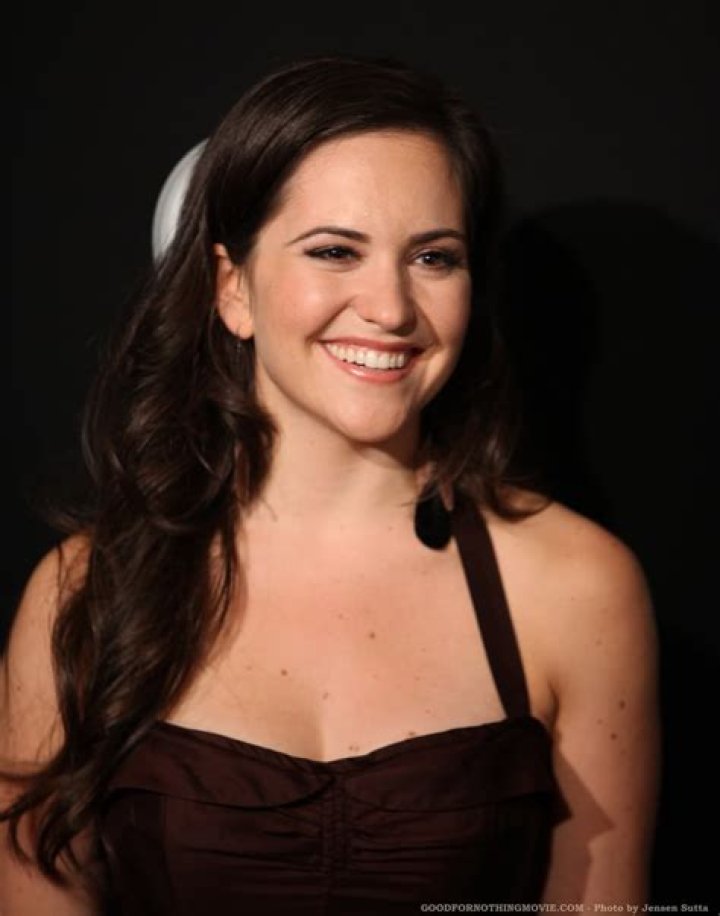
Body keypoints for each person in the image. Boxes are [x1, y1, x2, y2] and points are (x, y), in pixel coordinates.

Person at [0, 54, 660, 913]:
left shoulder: (575, 588)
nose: (390, 307)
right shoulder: (86, 593)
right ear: (232, 288)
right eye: (335, 251)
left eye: (433, 257)